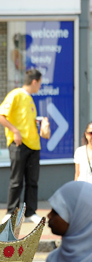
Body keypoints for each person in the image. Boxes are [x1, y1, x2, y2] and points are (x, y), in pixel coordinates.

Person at [0, 69, 50, 224]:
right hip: (19, 144)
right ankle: (11, 212)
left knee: (32, 181)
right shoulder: (16, 94)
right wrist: (15, 131)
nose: (40, 87)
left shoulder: (30, 99)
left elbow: (27, 122)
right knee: (16, 180)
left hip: (34, 145)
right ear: (34, 81)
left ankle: (30, 212)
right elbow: (2, 116)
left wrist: (42, 125)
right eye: (40, 83)